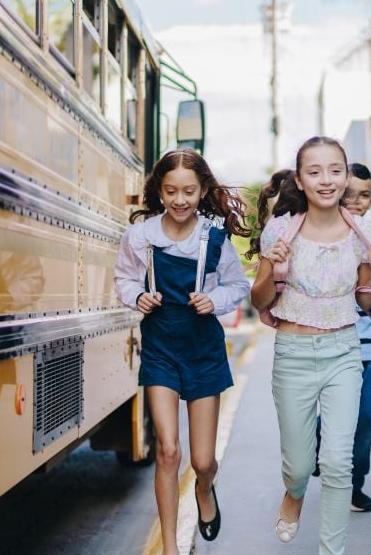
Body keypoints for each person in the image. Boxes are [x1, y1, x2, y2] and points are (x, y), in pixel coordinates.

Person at [247, 137, 371, 555]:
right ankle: (294, 493)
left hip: (343, 353)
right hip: (292, 355)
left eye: (335, 170)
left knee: (337, 462)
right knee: (298, 466)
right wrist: (274, 269)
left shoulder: (362, 233)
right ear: (300, 179)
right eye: (314, 172)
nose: (326, 180)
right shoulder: (281, 229)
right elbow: (260, 300)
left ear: (346, 177)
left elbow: (365, 302)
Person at [114, 149, 251, 555]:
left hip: (203, 349)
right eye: (171, 191)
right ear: (159, 191)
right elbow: (123, 279)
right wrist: (137, 296)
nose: (179, 200)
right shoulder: (140, 237)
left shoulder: (213, 238)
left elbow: (238, 285)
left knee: (203, 460)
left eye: (189, 191)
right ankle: (171, 548)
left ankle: (205, 488)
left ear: (203, 190)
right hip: (160, 348)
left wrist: (214, 300)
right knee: (168, 450)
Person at [343, 163, 371, 513]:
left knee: (368, 420)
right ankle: (317, 449)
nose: (357, 201)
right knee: (334, 419)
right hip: (337, 346)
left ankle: (354, 485)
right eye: (350, 194)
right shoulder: (323, 235)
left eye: (365, 195)